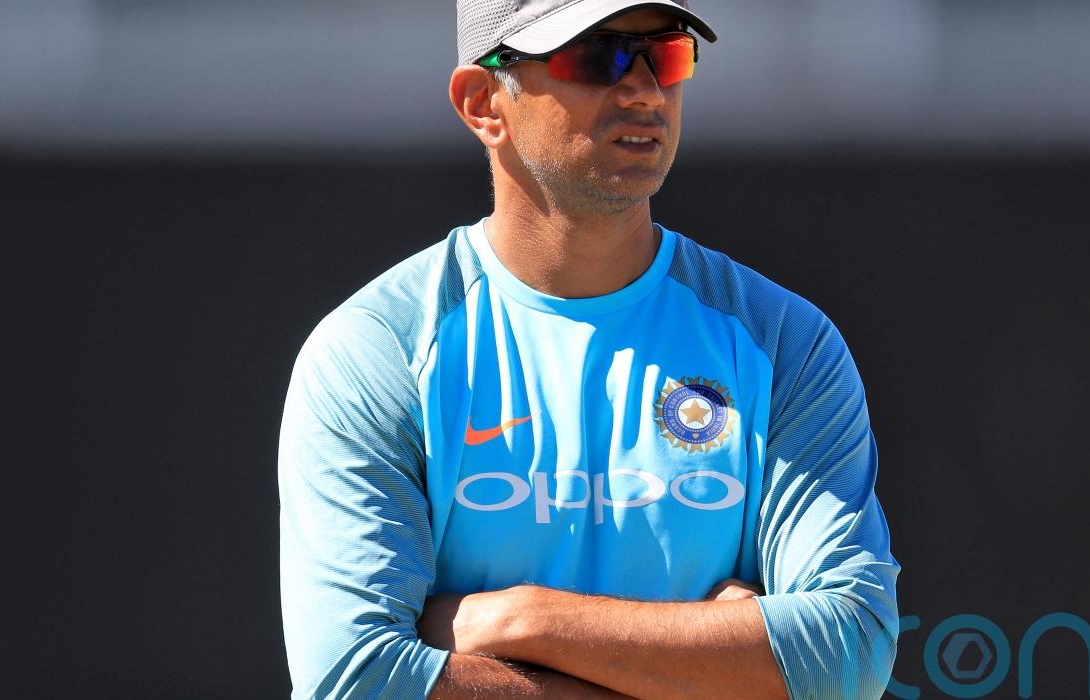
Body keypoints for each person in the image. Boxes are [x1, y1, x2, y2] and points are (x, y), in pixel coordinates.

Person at [278, 1, 901, 697]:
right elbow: (354, 677)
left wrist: (520, 618)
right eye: (597, 56)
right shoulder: (380, 349)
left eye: (666, 55)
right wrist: (713, 663)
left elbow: (851, 652)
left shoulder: (783, 341)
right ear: (483, 103)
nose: (644, 91)